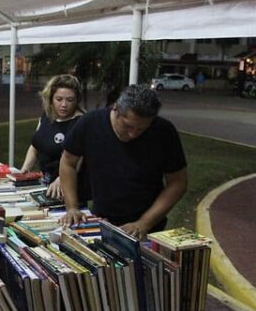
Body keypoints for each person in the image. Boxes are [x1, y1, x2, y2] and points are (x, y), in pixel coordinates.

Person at [59, 84, 188, 239]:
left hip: (150, 225)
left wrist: (144, 223)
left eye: (141, 129)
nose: (133, 134)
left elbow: (178, 182)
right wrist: (72, 207)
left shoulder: (163, 131)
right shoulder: (90, 123)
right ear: (116, 109)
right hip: (102, 218)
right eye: (128, 126)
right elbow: (68, 162)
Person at [20, 74, 87, 199]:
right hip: (44, 183)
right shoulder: (47, 116)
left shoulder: (80, 122)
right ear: (50, 99)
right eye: (59, 99)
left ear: (77, 100)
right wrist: (25, 169)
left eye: (70, 100)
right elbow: (35, 145)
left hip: (67, 188)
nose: (64, 105)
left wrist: (62, 179)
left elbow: (78, 159)